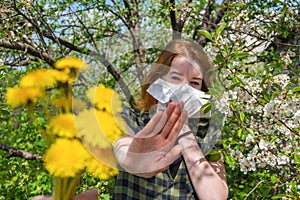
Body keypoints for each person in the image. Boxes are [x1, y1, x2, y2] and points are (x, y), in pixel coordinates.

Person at [113, 39, 228, 199]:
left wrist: (185, 133)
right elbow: (122, 147)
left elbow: (215, 197)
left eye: (194, 83)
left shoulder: (208, 131)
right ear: (158, 79)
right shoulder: (131, 117)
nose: (184, 89)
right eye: (175, 78)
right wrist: (133, 160)